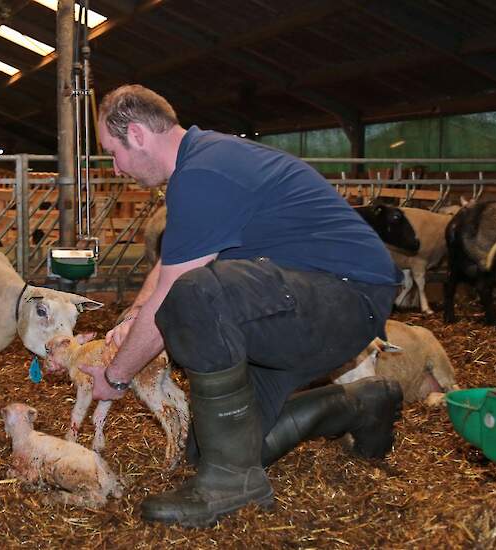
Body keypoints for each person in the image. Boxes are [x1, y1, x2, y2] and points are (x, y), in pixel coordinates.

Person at [77, 85, 404, 528]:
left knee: (195, 295)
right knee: (211, 448)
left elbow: (173, 293)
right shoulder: (199, 164)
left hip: (346, 295)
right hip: (289, 303)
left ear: (136, 134)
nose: (115, 168)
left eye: (113, 153)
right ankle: (360, 403)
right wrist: (133, 313)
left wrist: (116, 377)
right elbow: (172, 262)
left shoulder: (205, 173)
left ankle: (232, 485)